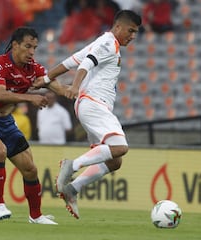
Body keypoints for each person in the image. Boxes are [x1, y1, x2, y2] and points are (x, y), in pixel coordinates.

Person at [34, 10, 141, 219]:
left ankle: (73, 189)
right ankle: (71, 166)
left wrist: (47, 79)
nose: (133, 36)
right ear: (118, 27)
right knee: (120, 147)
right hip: (94, 104)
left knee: (114, 161)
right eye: (131, 30)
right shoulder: (108, 43)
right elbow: (84, 64)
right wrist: (74, 87)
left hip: (90, 106)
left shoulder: (102, 42)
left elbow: (70, 61)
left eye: (136, 32)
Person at [0, 27, 58, 224]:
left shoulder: (32, 67)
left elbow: (51, 81)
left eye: (34, 47)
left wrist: (71, 90)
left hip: (7, 123)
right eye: (28, 46)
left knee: (30, 169)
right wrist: (30, 98)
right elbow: (0, 94)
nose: (32, 52)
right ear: (15, 45)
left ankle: (36, 216)